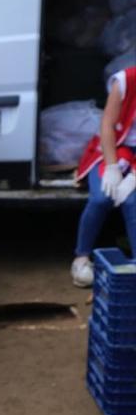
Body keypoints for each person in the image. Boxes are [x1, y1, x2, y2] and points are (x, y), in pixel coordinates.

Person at [70, 64, 136, 287]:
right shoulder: (125, 80)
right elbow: (107, 125)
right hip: (113, 148)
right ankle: (81, 257)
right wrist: (112, 167)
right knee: (101, 198)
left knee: (132, 201)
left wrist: (134, 176)